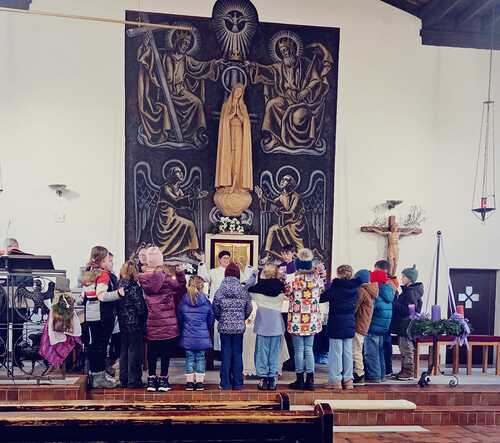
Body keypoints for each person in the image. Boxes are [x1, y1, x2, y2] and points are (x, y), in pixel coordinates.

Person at [139, 246, 186, 392]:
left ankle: (151, 379)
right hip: (167, 322)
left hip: (151, 321)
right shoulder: (166, 279)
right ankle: (164, 380)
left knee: (152, 352)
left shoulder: (142, 279)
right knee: (165, 352)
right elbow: (180, 287)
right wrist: (180, 273)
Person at [80, 246, 123, 389]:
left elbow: (83, 296)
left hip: (91, 315)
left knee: (95, 345)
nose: (111, 264)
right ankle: (99, 378)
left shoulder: (88, 272)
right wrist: (119, 293)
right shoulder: (103, 274)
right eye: (109, 261)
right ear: (102, 261)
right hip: (103, 315)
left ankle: (97, 374)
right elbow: (102, 296)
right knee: (101, 346)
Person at [287, 248, 323, 391]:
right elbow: (321, 292)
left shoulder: (293, 279)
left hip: (297, 320)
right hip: (311, 320)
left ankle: (300, 380)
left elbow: (287, 293)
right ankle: (310, 380)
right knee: (309, 349)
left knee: (298, 350)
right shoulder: (317, 279)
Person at [320, 265, 361, 390]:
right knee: (348, 353)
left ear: (338, 274)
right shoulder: (355, 288)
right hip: (349, 322)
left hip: (336, 323)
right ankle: (348, 380)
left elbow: (321, 298)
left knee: (335, 353)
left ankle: (335, 380)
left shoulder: (335, 287)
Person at [213, 262, 253, 390]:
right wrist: (242, 318)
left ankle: (225, 383)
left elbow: (215, 308)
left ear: (225, 274)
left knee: (225, 354)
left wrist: (220, 318)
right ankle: (238, 383)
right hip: (238, 328)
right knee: (237, 353)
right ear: (238, 275)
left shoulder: (220, 291)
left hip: (224, 327)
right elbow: (249, 308)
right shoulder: (243, 291)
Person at [248, 264, 286, 390]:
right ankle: (272, 378)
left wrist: (253, 277)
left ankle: (263, 378)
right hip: (276, 324)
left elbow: (246, 289)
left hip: (262, 324)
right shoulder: (281, 288)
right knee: (274, 353)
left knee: (261, 353)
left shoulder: (257, 289)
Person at [177, 275, 215, 391]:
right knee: (200, 358)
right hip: (202, 336)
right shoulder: (206, 302)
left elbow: (180, 318)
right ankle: (199, 382)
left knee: (189, 358)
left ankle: (189, 382)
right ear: (201, 287)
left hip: (188, 335)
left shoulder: (183, 301)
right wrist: (206, 327)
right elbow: (211, 318)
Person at [117, 260, 147, 388]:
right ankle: (133, 380)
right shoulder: (134, 287)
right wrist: (144, 317)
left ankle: (123, 379)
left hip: (122, 322)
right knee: (135, 351)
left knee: (124, 351)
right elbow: (140, 307)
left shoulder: (119, 285)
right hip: (135, 323)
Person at [363, 268, 395, 383]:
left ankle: (374, 376)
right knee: (380, 352)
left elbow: (371, 310)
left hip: (373, 327)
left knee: (371, 353)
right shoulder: (388, 292)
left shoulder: (376, 293)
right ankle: (381, 375)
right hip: (383, 327)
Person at [392, 265, 423, 380]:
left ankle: (408, 371)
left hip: (407, 323)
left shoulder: (411, 292)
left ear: (410, 278)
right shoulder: (408, 291)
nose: (402, 278)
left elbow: (409, 310)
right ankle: (404, 370)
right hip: (403, 323)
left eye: (404, 276)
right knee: (403, 346)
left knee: (406, 347)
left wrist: (395, 304)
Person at [352, 269, 378, 385]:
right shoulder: (371, 290)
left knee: (356, 350)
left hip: (358, 324)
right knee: (358, 349)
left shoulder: (361, 291)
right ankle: (359, 372)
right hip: (364, 324)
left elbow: (354, 307)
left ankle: (359, 374)